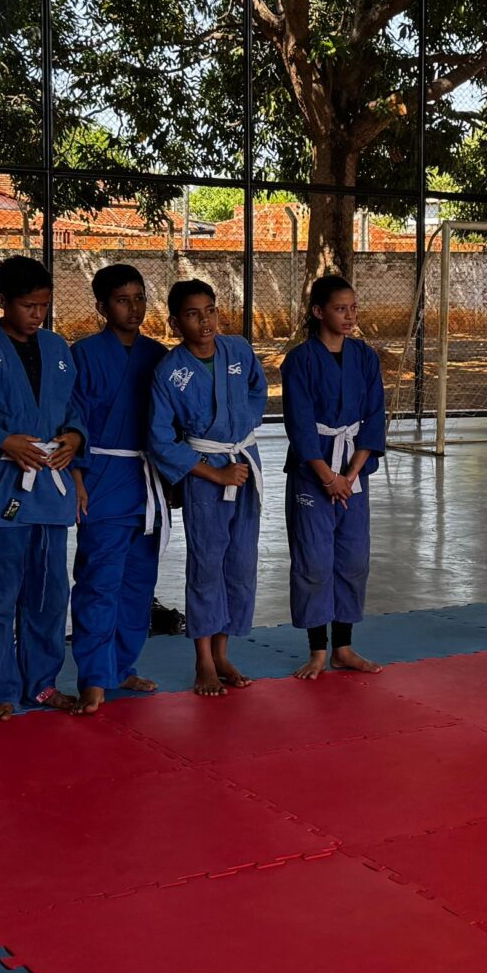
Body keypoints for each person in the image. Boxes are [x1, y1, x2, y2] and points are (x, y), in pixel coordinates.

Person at [0, 256, 84, 718]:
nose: (37, 315)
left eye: (44, 306)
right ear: (2, 301)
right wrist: (1, 441)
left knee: (49, 596)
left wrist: (75, 437)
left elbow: (74, 406)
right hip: (2, 489)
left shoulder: (58, 348)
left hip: (50, 488)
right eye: (29, 306)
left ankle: (43, 685)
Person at [150, 278, 265, 697]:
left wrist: (243, 426)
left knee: (240, 562)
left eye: (211, 311)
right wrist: (214, 473)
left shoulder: (238, 350)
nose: (205, 322)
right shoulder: (169, 371)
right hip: (204, 472)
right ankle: (203, 660)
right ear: (175, 323)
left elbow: (257, 390)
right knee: (207, 565)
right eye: (193, 314)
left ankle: (222, 653)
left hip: (243, 461)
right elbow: (160, 438)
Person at [67, 265, 168, 712]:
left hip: (148, 480)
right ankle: (94, 675)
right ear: (102, 307)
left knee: (138, 582)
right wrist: (76, 476)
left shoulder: (159, 355)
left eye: (140, 298)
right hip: (103, 476)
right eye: (123, 300)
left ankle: (122, 666)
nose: (134, 308)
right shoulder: (84, 354)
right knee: (99, 581)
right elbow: (72, 418)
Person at [280, 273, 385, 680]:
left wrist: (351, 473)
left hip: (353, 471)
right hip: (314, 473)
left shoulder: (365, 357)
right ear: (318, 311)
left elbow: (374, 415)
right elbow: (299, 424)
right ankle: (317, 651)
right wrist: (328, 477)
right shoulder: (300, 360)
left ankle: (343, 647)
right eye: (340, 309)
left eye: (353, 308)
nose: (349, 316)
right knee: (314, 561)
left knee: (353, 558)